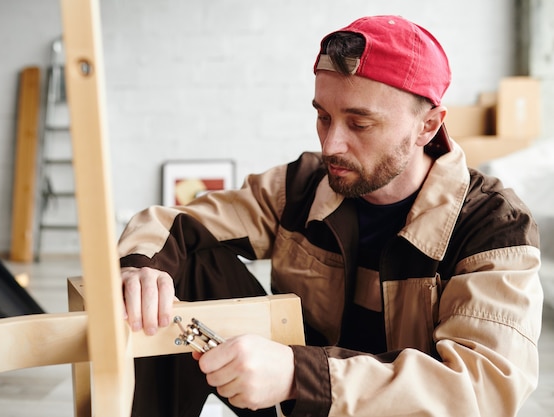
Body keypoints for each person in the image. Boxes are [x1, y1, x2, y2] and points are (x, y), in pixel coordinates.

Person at [118, 15, 543, 417]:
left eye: (359, 124)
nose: (331, 145)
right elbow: (175, 221)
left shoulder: (494, 227)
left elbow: (482, 386)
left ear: (428, 126)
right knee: (183, 265)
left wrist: (299, 376)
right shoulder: (302, 186)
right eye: (323, 116)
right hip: (297, 401)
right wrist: (140, 267)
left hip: (333, 395)